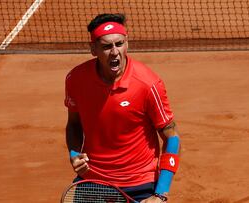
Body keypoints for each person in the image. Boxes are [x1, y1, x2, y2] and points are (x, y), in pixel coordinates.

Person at [64, 13, 181, 203]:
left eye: (119, 44)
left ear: (127, 43)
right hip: (93, 180)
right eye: (106, 46)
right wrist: (75, 154)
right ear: (93, 49)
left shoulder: (148, 84)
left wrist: (160, 193)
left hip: (140, 184)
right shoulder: (76, 80)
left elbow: (172, 138)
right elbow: (74, 124)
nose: (115, 52)